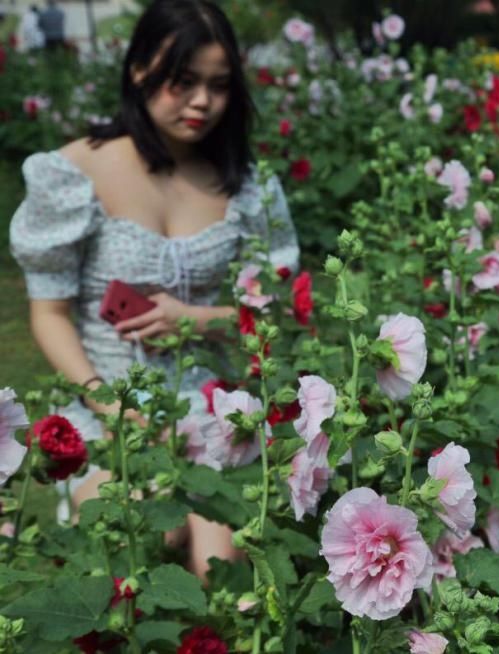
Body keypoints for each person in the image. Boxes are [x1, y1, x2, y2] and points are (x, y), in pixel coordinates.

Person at [9, 0, 299, 582]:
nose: (201, 102)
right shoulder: (75, 171)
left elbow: (280, 307)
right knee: (148, 531)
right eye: (183, 81)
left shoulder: (246, 184)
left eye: (219, 86)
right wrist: (104, 400)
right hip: (107, 403)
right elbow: (49, 314)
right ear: (140, 68)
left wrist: (200, 318)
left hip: (207, 401)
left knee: (224, 556)